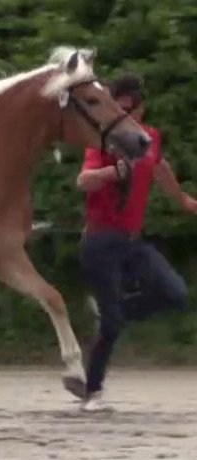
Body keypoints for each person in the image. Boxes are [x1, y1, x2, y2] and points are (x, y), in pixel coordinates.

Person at [75, 73, 197, 412]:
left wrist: (185, 202)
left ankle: (110, 313)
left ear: (141, 109)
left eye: (130, 110)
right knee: (112, 326)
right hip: (100, 243)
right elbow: (84, 181)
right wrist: (115, 173)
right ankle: (93, 390)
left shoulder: (151, 140)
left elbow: (160, 167)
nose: (126, 117)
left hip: (131, 242)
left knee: (175, 294)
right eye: (120, 110)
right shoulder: (103, 142)